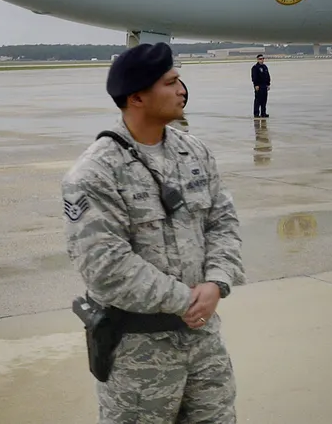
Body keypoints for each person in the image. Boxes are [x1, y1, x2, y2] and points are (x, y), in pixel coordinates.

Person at [62, 42, 244, 423]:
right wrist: (186, 300)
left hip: (204, 344)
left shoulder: (195, 153)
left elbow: (223, 222)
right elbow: (105, 266)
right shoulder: (96, 173)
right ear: (137, 97)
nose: (182, 91)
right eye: (171, 82)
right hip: (138, 356)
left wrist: (216, 283)